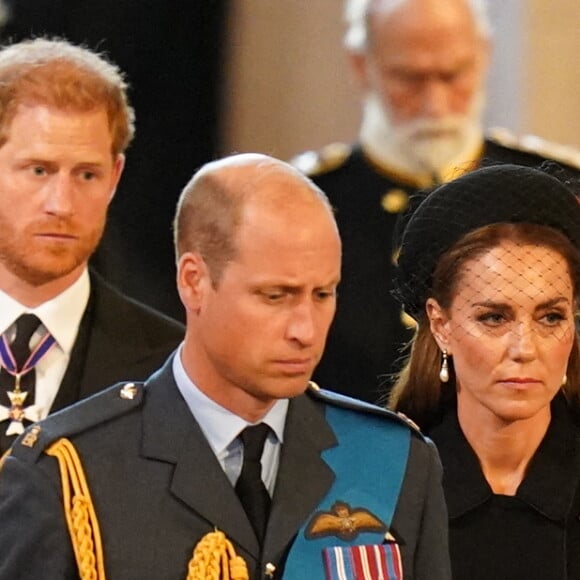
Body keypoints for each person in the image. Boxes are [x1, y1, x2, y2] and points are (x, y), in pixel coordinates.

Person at [0, 153, 451, 580]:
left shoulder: (393, 461)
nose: (305, 329)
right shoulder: (68, 472)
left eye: (322, 295)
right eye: (275, 296)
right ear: (194, 282)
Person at [292, 0, 580, 404]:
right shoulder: (306, 201)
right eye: (409, 78)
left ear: (484, 55)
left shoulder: (557, 188)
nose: (435, 102)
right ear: (362, 66)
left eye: (453, 74)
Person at [389, 163, 580, 579]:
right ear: (440, 326)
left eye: (550, 317)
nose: (524, 349)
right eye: (494, 318)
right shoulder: (383, 492)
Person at [0, 38, 184, 453]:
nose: (61, 205)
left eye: (86, 175)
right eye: (39, 170)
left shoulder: (175, 370)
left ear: (115, 176)